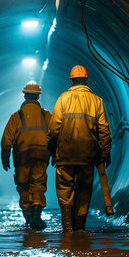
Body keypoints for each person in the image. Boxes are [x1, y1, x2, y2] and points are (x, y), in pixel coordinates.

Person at [48, 65, 111, 232]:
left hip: (66, 154)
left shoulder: (63, 98)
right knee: (84, 190)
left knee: (64, 190)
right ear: (87, 80)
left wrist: (52, 150)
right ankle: (80, 229)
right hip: (87, 155)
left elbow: (54, 128)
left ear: (71, 80)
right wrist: (105, 152)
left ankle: (68, 230)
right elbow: (103, 129)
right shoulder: (96, 101)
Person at [1, 81, 52, 230]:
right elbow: (56, 135)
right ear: (38, 96)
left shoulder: (16, 116)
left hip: (22, 158)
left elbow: (6, 141)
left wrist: (5, 157)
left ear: (24, 95)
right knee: (38, 185)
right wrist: (55, 154)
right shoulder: (46, 115)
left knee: (23, 187)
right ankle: (37, 217)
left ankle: (29, 219)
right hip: (41, 156)